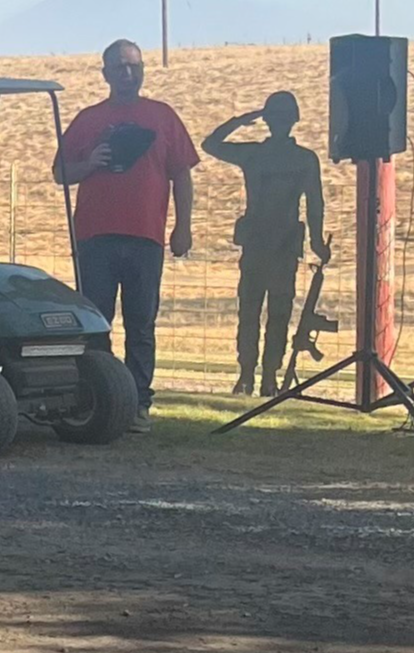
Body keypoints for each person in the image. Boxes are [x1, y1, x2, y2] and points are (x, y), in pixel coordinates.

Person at [53, 39, 196, 420]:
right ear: (106, 74)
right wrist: (89, 164)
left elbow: (181, 174)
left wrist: (183, 227)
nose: (128, 74)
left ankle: (137, 404)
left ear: (143, 70)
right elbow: (59, 173)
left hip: (145, 236)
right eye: (119, 67)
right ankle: (96, 400)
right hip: (95, 236)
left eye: (134, 66)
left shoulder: (163, 116)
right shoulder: (88, 118)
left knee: (141, 324)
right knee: (96, 322)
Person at [203, 93, 330, 396]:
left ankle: (260, 375)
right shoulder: (296, 158)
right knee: (267, 312)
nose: (280, 124)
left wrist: (241, 121)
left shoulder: (260, 155)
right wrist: (315, 240)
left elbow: (315, 203)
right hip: (269, 244)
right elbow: (315, 204)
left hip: (273, 244)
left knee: (263, 312)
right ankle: (257, 375)